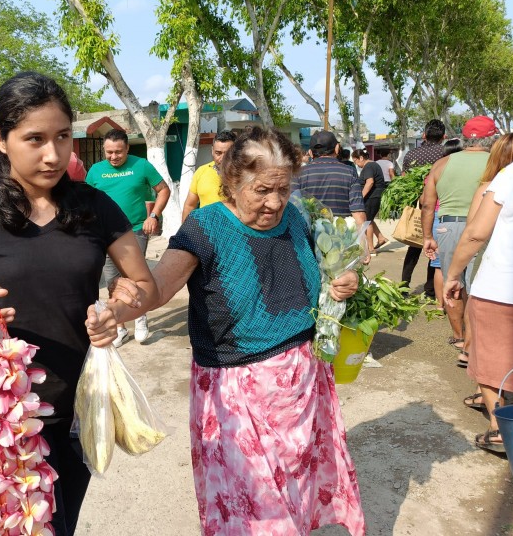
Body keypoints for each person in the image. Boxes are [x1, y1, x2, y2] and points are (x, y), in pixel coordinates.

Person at [0, 72, 156, 536]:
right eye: (34, 139)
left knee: (61, 523)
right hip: (5, 416)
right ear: (1, 139)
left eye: (62, 137)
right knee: (15, 527)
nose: (54, 155)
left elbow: (143, 285)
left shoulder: (95, 206)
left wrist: (119, 307)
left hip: (78, 403)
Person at [111, 127, 365, 535]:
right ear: (232, 180)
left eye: (283, 189)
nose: (275, 202)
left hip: (303, 384)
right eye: (263, 190)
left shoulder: (295, 217)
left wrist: (341, 281)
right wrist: (118, 308)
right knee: (255, 511)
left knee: (297, 492)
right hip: (238, 392)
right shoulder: (206, 227)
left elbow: (312, 277)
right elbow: (155, 290)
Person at [444, 157, 513, 453]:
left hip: (502, 285)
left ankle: (499, 430)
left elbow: (476, 232)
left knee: (490, 357)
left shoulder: (509, 175)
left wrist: (453, 274)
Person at [86, 128, 170, 346]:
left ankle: (140, 316)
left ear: (127, 148)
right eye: (109, 152)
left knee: (135, 277)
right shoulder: (95, 171)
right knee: (112, 281)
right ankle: (121, 326)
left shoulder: (141, 165)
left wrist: (154, 215)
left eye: (119, 152)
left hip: (134, 230)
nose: (114, 157)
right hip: (104, 234)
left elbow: (163, 190)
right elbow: (86, 201)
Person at [422, 116, 495, 367]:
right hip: (485, 225)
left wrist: (428, 237)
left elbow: (428, 203)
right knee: (480, 284)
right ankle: (477, 344)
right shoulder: (498, 164)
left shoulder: (442, 163)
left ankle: (460, 338)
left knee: (453, 282)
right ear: (493, 138)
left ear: (463, 138)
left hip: (447, 226)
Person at [401, 119, 446, 296]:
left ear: (424, 135)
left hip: (418, 208)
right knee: (434, 248)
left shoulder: (411, 155)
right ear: (444, 137)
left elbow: (404, 179)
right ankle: (430, 289)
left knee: (414, 246)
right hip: (438, 206)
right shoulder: (446, 155)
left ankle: (404, 286)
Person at [293, 130, 366, 227]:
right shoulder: (350, 172)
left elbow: (292, 208)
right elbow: (359, 214)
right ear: (337, 148)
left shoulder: (298, 173)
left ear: (310, 152)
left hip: (306, 237)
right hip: (341, 237)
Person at [429, 139, 465, 314]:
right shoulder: (468, 172)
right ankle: (464, 307)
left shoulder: (437, 169)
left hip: (440, 219)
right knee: (464, 266)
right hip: (463, 220)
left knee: (440, 266)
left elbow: (424, 201)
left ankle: (439, 305)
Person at [181, 130, 236, 221]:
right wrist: (184, 233)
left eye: (227, 154)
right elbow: (189, 205)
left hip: (233, 232)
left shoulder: (244, 174)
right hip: (204, 232)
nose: (222, 159)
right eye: (218, 153)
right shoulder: (201, 171)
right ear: (212, 151)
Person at [352, 149, 388, 252]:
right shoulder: (372, 165)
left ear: (361, 158)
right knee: (370, 219)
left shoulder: (369, 166)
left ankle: (371, 248)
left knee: (367, 221)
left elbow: (370, 182)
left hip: (372, 196)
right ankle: (380, 238)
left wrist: (361, 197)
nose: (356, 164)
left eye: (356, 161)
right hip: (375, 196)